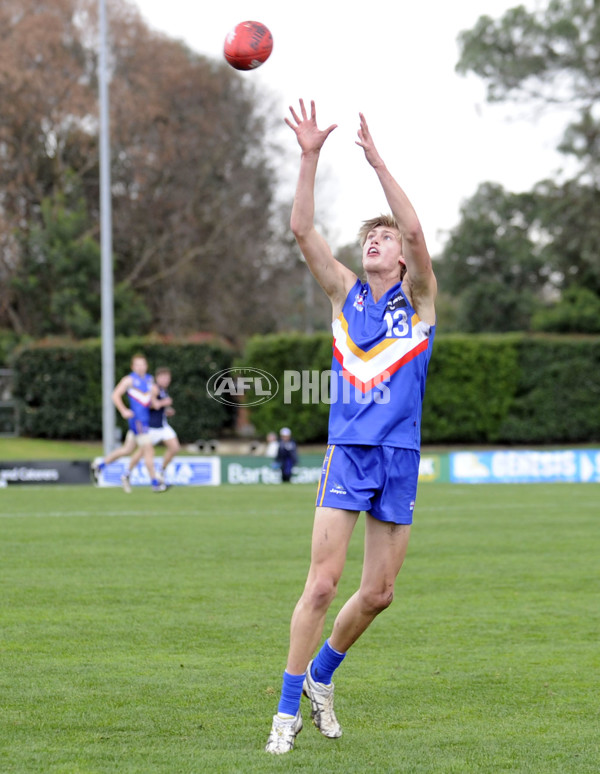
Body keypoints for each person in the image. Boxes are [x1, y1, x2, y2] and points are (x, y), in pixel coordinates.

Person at [264, 100, 437, 754]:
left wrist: (377, 162)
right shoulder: (345, 294)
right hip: (349, 454)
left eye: (385, 237)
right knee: (323, 582)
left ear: (400, 256)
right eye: (371, 235)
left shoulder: (418, 304)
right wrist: (309, 156)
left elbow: (419, 238)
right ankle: (284, 715)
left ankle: (322, 676)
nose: (376, 241)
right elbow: (302, 229)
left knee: (380, 593)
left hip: (399, 456)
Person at [90, 354, 167, 493]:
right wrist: (123, 410)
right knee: (149, 450)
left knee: (127, 450)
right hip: (138, 421)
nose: (140, 367)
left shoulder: (149, 380)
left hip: (145, 420)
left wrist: (158, 405)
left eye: (143, 364)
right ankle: (155, 483)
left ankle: (100, 465)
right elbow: (115, 395)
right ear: (132, 367)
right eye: (137, 364)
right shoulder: (129, 380)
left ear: (146, 366)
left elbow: (149, 400)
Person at [122, 367, 180, 492]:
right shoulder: (154, 389)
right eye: (163, 377)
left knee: (174, 447)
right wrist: (165, 403)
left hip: (162, 426)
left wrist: (167, 410)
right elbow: (152, 404)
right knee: (141, 453)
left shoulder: (164, 390)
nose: (166, 380)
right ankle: (127, 474)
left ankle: (161, 472)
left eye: (167, 378)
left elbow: (159, 407)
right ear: (157, 378)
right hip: (151, 427)